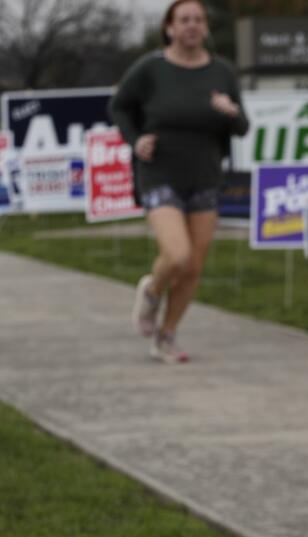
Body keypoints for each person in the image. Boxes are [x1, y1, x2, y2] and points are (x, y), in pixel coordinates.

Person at [110, 0, 249, 363]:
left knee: (193, 267)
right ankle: (153, 291)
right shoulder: (151, 69)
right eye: (184, 19)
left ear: (206, 27)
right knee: (177, 254)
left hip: (205, 176)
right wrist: (135, 139)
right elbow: (119, 106)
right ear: (169, 27)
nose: (191, 25)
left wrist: (230, 113)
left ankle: (166, 336)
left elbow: (242, 126)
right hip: (159, 173)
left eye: (198, 20)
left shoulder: (221, 72)